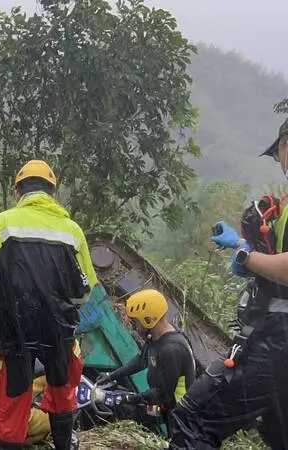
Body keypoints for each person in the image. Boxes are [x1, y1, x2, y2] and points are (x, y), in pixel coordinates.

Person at [0, 160, 97, 450]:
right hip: (58, 328)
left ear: (18, 191)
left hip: (12, 327)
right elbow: (85, 289)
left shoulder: (4, 224)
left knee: (12, 398)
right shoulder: (72, 231)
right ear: (52, 193)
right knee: (61, 390)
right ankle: (63, 445)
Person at [168, 119, 288, 450]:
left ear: (284, 146)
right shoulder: (284, 208)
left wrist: (247, 258)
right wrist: (244, 248)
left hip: (277, 341)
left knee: (193, 420)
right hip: (273, 336)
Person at [96, 289, 196, 438]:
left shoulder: (171, 349)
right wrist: (111, 376)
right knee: (128, 410)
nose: (134, 325)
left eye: (136, 321)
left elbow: (162, 394)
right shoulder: (155, 337)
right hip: (162, 405)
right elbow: (141, 360)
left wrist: (128, 398)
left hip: (177, 412)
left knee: (176, 441)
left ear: (148, 319)